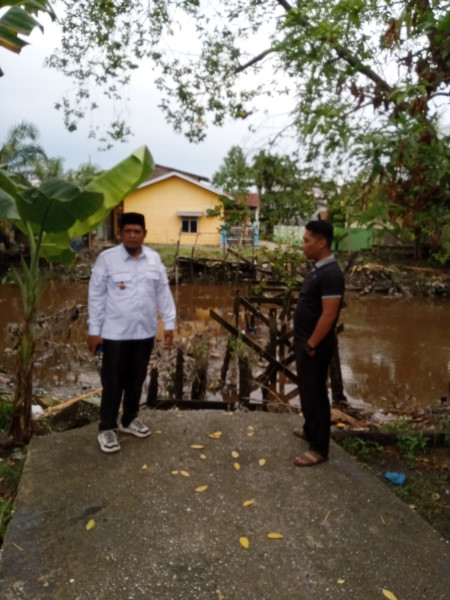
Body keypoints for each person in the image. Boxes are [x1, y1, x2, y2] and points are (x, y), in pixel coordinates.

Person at [87, 212, 176, 453]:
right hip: (115, 334)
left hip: (144, 332)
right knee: (113, 382)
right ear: (120, 233)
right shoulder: (107, 260)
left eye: (137, 231)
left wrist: (169, 323)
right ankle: (107, 428)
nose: (133, 235)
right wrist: (94, 331)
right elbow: (96, 296)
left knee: (136, 379)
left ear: (144, 234)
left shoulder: (153, 259)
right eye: (128, 231)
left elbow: (163, 293)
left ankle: (128, 419)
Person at [293, 220, 345, 467]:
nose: (303, 245)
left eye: (307, 240)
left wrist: (312, 343)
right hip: (306, 341)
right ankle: (309, 428)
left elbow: (329, 315)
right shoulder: (318, 269)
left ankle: (319, 447)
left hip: (316, 344)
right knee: (306, 389)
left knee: (315, 393)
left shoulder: (332, 274)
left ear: (321, 243)